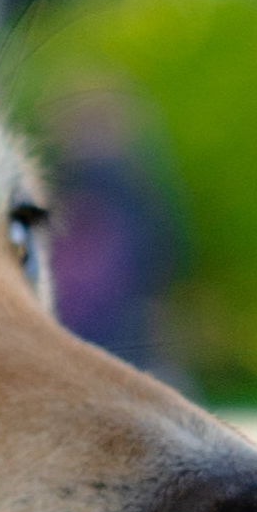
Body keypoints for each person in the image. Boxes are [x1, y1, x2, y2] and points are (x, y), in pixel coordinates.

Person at [41, 77, 180, 375]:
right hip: (92, 327)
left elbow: (165, 257)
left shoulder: (134, 189)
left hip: (110, 326)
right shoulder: (139, 187)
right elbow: (169, 255)